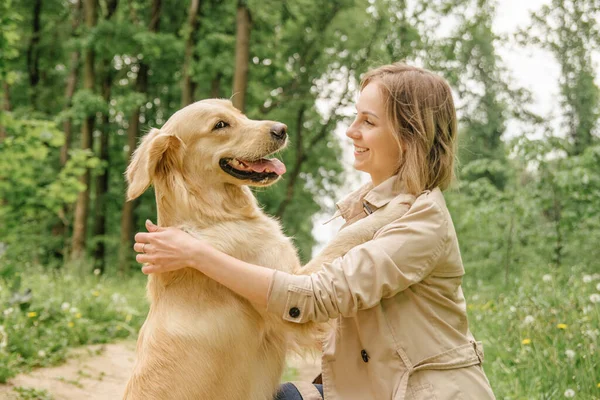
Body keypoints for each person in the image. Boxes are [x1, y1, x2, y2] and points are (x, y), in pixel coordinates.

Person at [133, 62, 496, 400]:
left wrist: (197, 254)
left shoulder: (418, 218)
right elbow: (316, 320)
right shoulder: (375, 205)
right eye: (221, 125)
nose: (351, 131)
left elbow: (311, 302)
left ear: (409, 136)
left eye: (368, 122)